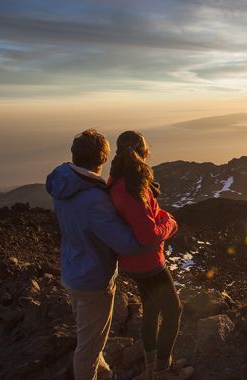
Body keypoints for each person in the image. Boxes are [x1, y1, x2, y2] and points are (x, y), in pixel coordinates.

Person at [46, 129, 164, 380]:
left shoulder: (64, 183)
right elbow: (129, 243)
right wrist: (161, 230)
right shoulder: (94, 199)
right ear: (102, 159)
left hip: (72, 271)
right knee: (88, 349)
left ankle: (105, 373)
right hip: (93, 279)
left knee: (89, 335)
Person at [107, 131, 192, 379]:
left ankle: (150, 369)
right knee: (173, 311)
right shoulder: (131, 187)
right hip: (148, 262)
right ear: (142, 151)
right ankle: (163, 371)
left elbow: (142, 217)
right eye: (146, 148)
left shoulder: (118, 180)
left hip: (133, 262)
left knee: (151, 310)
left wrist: (159, 216)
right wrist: (171, 224)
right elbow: (148, 234)